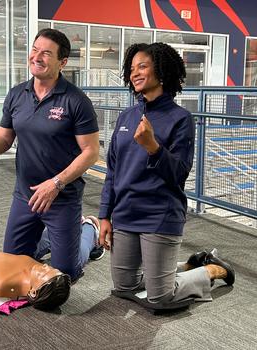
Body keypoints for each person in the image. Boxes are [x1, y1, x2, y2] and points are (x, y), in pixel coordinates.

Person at [98, 42, 235, 308]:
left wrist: (152, 146)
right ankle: (188, 264)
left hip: (159, 214)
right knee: (124, 287)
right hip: (126, 214)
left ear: (161, 72)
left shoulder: (180, 118)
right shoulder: (126, 117)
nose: (134, 73)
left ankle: (212, 269)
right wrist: (105, 215)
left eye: (143, 66)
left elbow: (179, 174)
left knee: (160, 296)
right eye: (132, 68)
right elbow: (112, 171)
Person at [0, 28, 100, 282]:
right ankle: (56, 236)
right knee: (12, 266)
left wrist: (56, 183)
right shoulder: (17, 94)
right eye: (34, 49)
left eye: (46, 53)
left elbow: (91, 152)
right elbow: (4, 141)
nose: (36, 57)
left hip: (61, 196)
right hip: (26, 195)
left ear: (62, 62)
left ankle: (88, 231)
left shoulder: (76, 100)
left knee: (66, 274)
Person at [0, 251, 71, 310]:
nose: (45, 265)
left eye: (43, 273)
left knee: (70, 266)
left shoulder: (2, 282)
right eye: (51, 268)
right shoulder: (35, 269)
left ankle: (88, 226)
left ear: (33, 292)